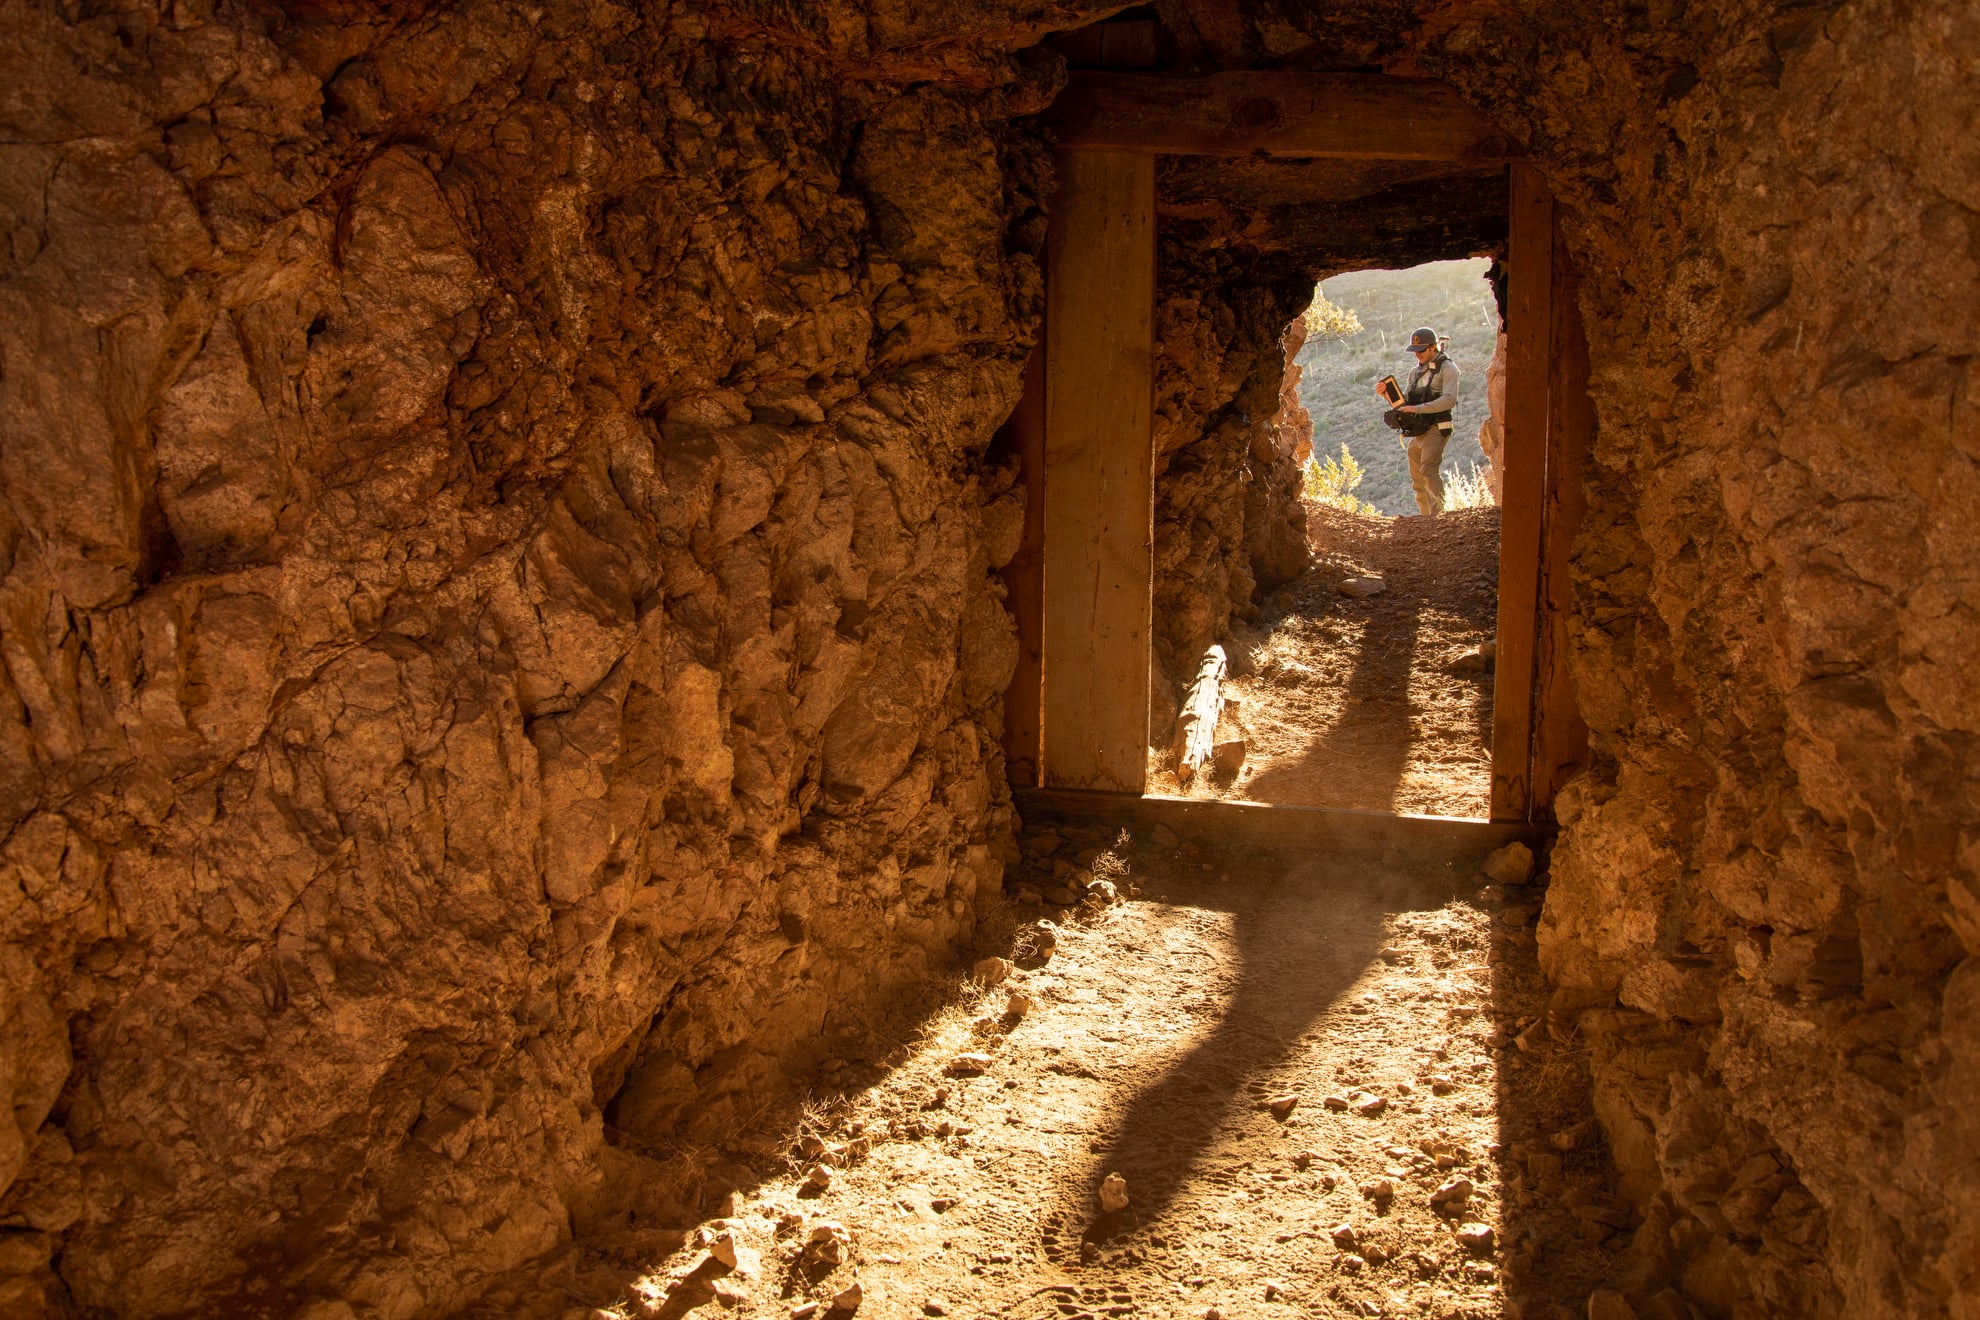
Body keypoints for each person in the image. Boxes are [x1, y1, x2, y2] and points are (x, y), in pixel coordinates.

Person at [1379, 326, 1461, 515]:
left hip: (1437, 427)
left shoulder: (1448, 369)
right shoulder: (1414, 373)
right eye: (1415, 351)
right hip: (1419, 429)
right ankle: (1425, 518)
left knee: (1428, 469)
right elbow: (1404, 402)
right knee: (1417, 473)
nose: (1418, 355)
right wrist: (1386, 394)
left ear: (1434, 347)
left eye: (1422, 350)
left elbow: (1449, 400)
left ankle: (1437, 516)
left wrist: (1417, 409)